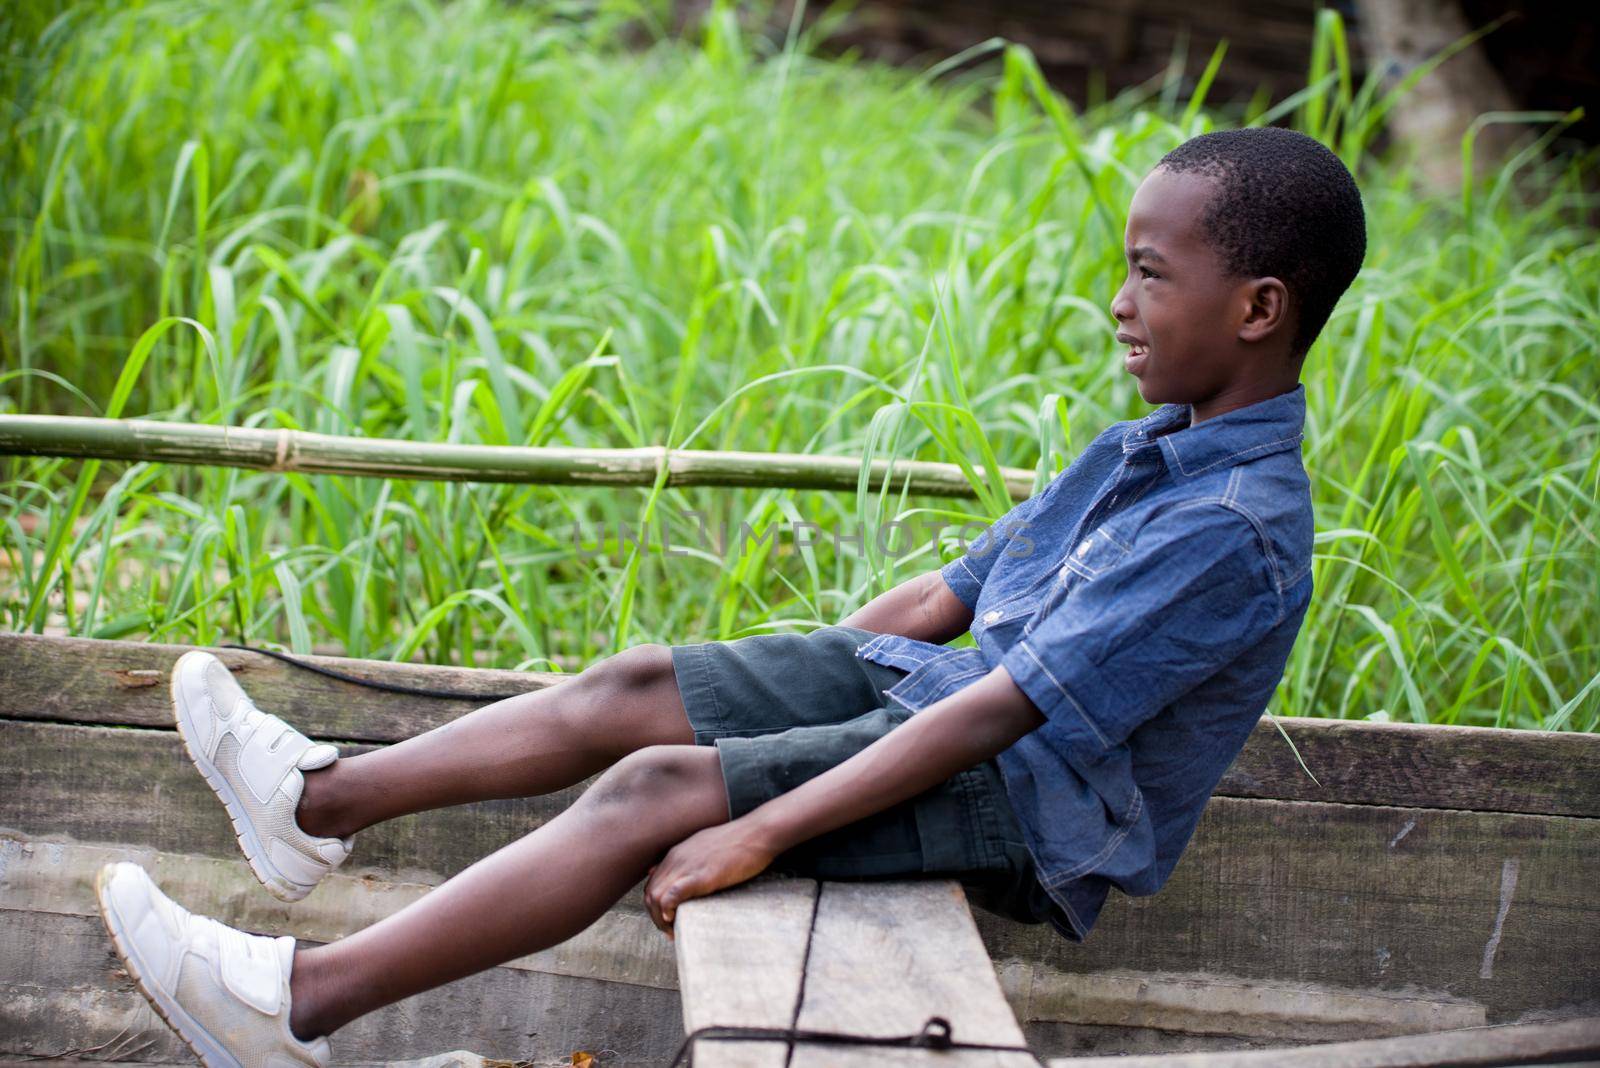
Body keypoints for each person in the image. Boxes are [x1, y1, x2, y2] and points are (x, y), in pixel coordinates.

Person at [94, 125, 1366, 1066]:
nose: (1117, 304)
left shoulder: (1235, 530)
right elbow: (944, 598)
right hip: (935, 698)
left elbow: (1005, 716)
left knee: (653, 792)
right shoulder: (1144, 444)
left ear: (1257, 308)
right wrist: (746, 686)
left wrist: (756, 818)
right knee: (640, 688)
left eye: (1149, 274)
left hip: (1025, 802)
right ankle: (316, 805)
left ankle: (291, 1008)